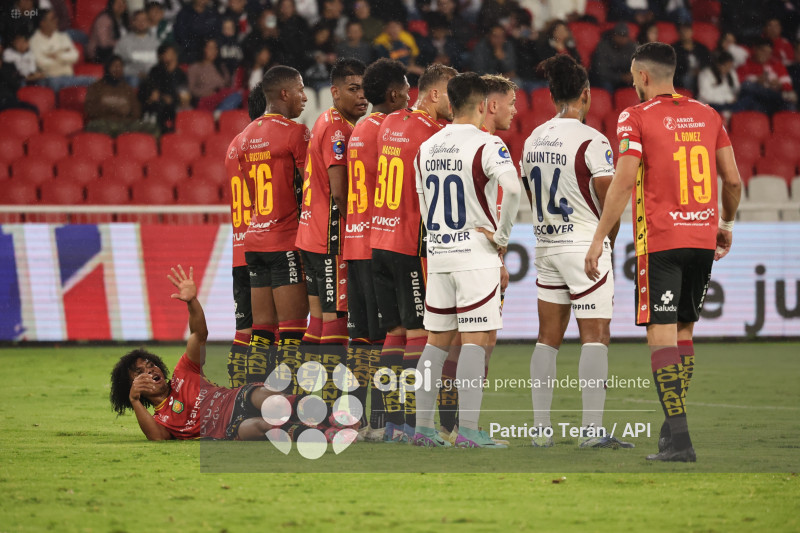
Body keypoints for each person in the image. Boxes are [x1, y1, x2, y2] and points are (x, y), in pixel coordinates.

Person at [585, 42, 742, 462]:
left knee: (660, 334)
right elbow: (733, 181)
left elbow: (622, 182)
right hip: (702, 239)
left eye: (634, 76)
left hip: (662, 241)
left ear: (644, 76)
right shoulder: (709, 115)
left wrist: (599, 236)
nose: (633, 82)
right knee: (685, 332)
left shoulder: (634, 117)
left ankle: (681, 437)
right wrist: (725, 225)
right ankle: (673, 433)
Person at [520, 55, 632, 449]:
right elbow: (611, 199)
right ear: (586, 94)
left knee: (547, 337)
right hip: (584, 246)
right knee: (596, 334)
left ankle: (539, 430)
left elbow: (530, 192)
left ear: (552, 96)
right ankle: (591, 431)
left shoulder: (533, 137)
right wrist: (607, 240)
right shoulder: (593, 140)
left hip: (546, 244)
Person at [412, 72, 521, 448]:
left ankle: (424, 429)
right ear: (480, 105)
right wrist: (502, 236)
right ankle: (469, 431)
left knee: (435, 344)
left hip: (440, 253)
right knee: (475, 342)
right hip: (475, 256)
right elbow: (514, 188)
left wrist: (439, 237)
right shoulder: (488, 144)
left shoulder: (427, 147)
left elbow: (423, 202)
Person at [370, 63, 457, 442]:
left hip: (379, 239)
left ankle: (392, 424)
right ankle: (413, 424)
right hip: (409, 241)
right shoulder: (434, 133)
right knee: (419, 332)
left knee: (394, 331)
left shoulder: (388, 123)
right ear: (435, 94)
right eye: (453, 95)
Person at [109, 265, 279, 440]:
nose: (150, 371)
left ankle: (301, 409)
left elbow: (199, 335)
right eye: (140, 372)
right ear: (131, 386)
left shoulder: (184, 371)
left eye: (151, 365)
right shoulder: (161, 421)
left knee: (264, 395)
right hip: (230, 429)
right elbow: (158, 438)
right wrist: (135, 400)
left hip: (236, 399)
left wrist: (192, 302)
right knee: (261, 426)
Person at [295, 58, 368, 412]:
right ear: (334, 92)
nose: (362, 96)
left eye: (365, 89)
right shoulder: (339, 128)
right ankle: (329, 404)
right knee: (337, 319)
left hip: (311, 234)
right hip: (330, 237)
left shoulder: (326, 121)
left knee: (319, 320)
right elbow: (340, 191)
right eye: (353, 89)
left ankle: (306, 398)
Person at [343, 58, 410, 441]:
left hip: (355, 242)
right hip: (379, 243)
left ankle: (359, 422)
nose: (410, 96)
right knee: (391, 336)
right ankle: (385, 424)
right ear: (392, 94)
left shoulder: (360, 128)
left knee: (363, 340)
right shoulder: (389, 127)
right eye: (406, 88)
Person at [239, 66, 311, 389]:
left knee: (262, 332)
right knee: (293, 331)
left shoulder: (244, 138)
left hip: (254, 242)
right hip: (285, 240)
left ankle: (251, 404)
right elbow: (310, 186)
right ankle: (290, 405)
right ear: (284, 94)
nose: (305, 97)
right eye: (299, 90)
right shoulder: (295, 133)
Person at [223, 83, 266, 387]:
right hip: (266, 246)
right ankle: (266, 392)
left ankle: (237, 392)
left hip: (240, 248)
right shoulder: (264, 142)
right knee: (272, 329)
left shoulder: (234, 145)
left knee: (244, 328)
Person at [84, 55, 159, 137]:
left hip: (125, 124)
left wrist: (124, 117)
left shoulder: (128, 89)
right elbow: (89, 110)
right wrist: (113, 108)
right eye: (114, 66)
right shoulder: (95, 87)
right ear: (107, 68)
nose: (117, 69)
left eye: (120, 66)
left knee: (152, 128)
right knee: (94, 126)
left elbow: (136, 113)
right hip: (104, 123)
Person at [29, 10, 95, 93]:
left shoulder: (63, 37)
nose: (56, 21)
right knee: (54, 82)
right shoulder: (34, 41)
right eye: (52, 19)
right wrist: (62, 53)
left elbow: (74, 56)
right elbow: (41, 63)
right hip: (48, 79)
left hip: (68, 77)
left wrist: (56, 55)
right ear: (43, 23)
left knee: (94, 81)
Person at [138, 42, 190, 133]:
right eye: (165, 54)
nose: (168, 57)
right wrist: (160, 97)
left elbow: (185, 97)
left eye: (170, 53)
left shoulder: (181, 75)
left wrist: (173, 99)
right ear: (160, 57)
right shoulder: (155, 71)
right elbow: (152, 91)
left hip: (175, 105)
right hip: (159, 104)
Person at [737, 37, 797, 115]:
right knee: (748, 87)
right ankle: (780, 96)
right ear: (755, 49)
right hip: (758, 101)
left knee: (790, 106)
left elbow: (788, 85)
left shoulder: (777, 65)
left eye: (769, 53)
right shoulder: (745, 64)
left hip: (776, 102)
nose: (765, 55)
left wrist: (779, 85)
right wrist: (757, 81)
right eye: (763, 51)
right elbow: (740, 86)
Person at [187, 38, 241, 112]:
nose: (213, 51)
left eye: (215, 48)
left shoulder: (221, 67)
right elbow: (191, 90)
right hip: (206, 100)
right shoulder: (195, 68)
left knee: (238, 96)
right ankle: (219, 114)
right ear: (203, 49)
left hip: (221, 99)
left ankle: (218, 113)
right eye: (210, 48)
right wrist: (207, 93)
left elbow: (227, 84)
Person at [114, 9, 160, 86]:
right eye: (138, 20)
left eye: (144, 20)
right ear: (133, 22)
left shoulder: (155, 42)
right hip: (132, 77)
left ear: (148, 23)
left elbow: (159, 64)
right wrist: (136, 73)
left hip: (152, 77)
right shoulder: (124, 42)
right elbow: (116, 64)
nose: (141, 23)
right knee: (133, 81)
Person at [590, 22, 637, 93]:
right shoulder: (603, 46)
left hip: (624, 80)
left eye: (625, 36)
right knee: (606, 86)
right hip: (606, 79)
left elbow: (637, 65)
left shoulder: (631, 47)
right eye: (620, 36)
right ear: (614, 35)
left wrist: (632, 75)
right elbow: (600, 72)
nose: (622, 39)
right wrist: (621, 77)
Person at [697, 51, 741, 120]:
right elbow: (705, 95)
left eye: (730, 67)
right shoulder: (706, 74)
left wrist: (731, 99)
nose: (728, 69)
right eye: (725, 66)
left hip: (728, 106)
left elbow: (736, 90)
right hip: (709, 105)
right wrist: (727, 98)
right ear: (718, 64)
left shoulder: (731, 73)